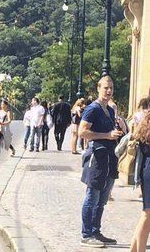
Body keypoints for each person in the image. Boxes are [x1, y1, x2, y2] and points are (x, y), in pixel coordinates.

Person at [79, 76, 123, 247]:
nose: (109, 91)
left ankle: (96, 231)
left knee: (102, 199)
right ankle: (86, 234)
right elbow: (83, 132)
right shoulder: (93, 109)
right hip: (97, 158)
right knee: (92, 197)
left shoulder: (110, 110)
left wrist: (118, 131)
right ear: (98, 88)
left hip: (110, 159)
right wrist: (106, 135)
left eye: (111, 88)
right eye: (106, 88)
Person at [129, 112, 150, 252]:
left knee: (146, 214)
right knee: (147, 214)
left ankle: (134, 249)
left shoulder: (145, 122)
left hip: (146, 169)